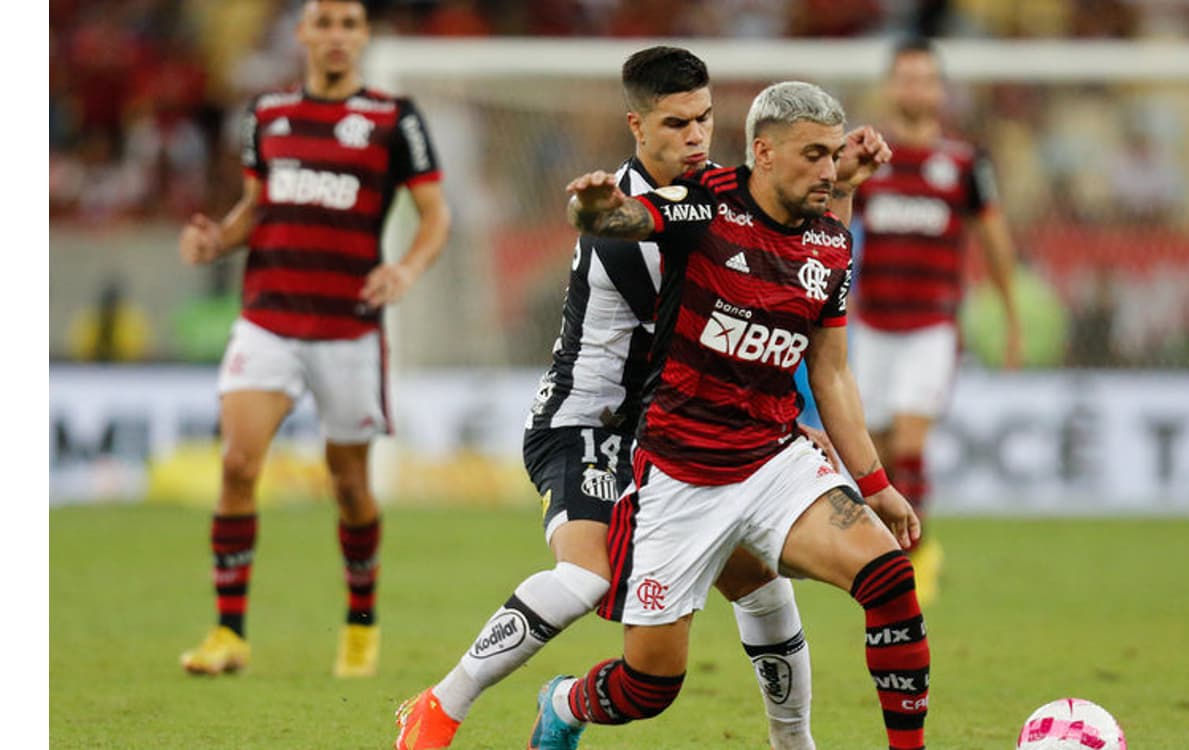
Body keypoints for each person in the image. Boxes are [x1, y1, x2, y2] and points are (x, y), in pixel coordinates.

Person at [395, 46, 828, 750]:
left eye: (705, 118)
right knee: (585, 575)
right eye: (676, 123)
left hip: (668, 433)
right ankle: (440, 706)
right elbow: (710, 333)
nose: (695, 136)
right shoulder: (630, 230)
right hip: (588, 425)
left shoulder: (712, 194)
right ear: (637, 126)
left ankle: (794, 743)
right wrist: (778, 420)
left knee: (760, 581)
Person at [529, 82, 930, 750]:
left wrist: (877, 484)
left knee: (889, 581)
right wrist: (597, 212)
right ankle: (566, 702)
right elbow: (633, 220)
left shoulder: (831, 243)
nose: (829, 171)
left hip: (774, 461)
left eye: (835, 155)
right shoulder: (710, 202)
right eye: (813, 155)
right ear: (764, 154)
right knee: (648, 686)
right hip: (678, 476)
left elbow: (831, 371)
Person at [176, 0, 451, 678]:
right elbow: (255, 207)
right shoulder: (266, 114)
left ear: (363, 37)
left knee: (350, 488)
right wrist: (218, 240)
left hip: (348, 326)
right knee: (239, 466)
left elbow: (435, 215)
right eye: (323, 23)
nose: (336, 36)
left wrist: (406, 268)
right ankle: (228, 633)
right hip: (268, 316)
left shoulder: (394, 119)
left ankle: (360, 627)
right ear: (301, 34)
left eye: (349, 25)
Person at [851, 36, 1021, 604]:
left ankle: (916, 557)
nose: (915, 88)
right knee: (872, 447)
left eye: (926, 79)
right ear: (891, 87)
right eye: (906, 78)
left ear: (940, 90)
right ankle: (887, 553)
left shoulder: (965, 163)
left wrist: (1011, 316)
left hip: (931, 325)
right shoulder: (867, 159)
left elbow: (993, 240)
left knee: (909, 438)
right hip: (872, 324)